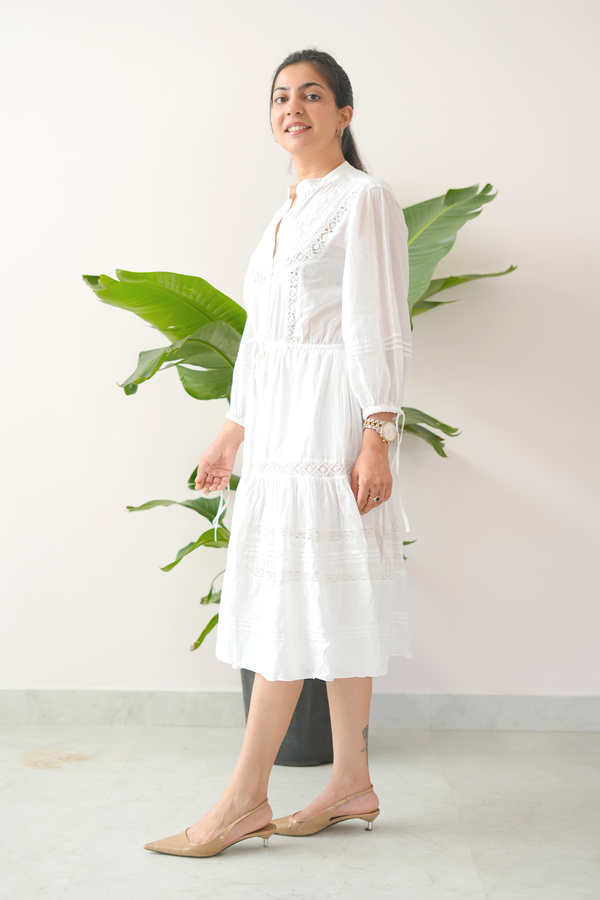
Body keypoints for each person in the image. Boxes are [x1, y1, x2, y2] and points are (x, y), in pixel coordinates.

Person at [144, 47, 412, 859]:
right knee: (326, 597)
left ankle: (243, 800)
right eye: (280, 97)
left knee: (298, 602)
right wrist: (234, 427)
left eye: (312, 95)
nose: (293, 108)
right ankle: (350, 782)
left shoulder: (362, 200)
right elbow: (263, 340)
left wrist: (377, 433)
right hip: (281, 424)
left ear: (345, 113)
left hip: (332, 422)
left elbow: (378, 322)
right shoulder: (288, 207)